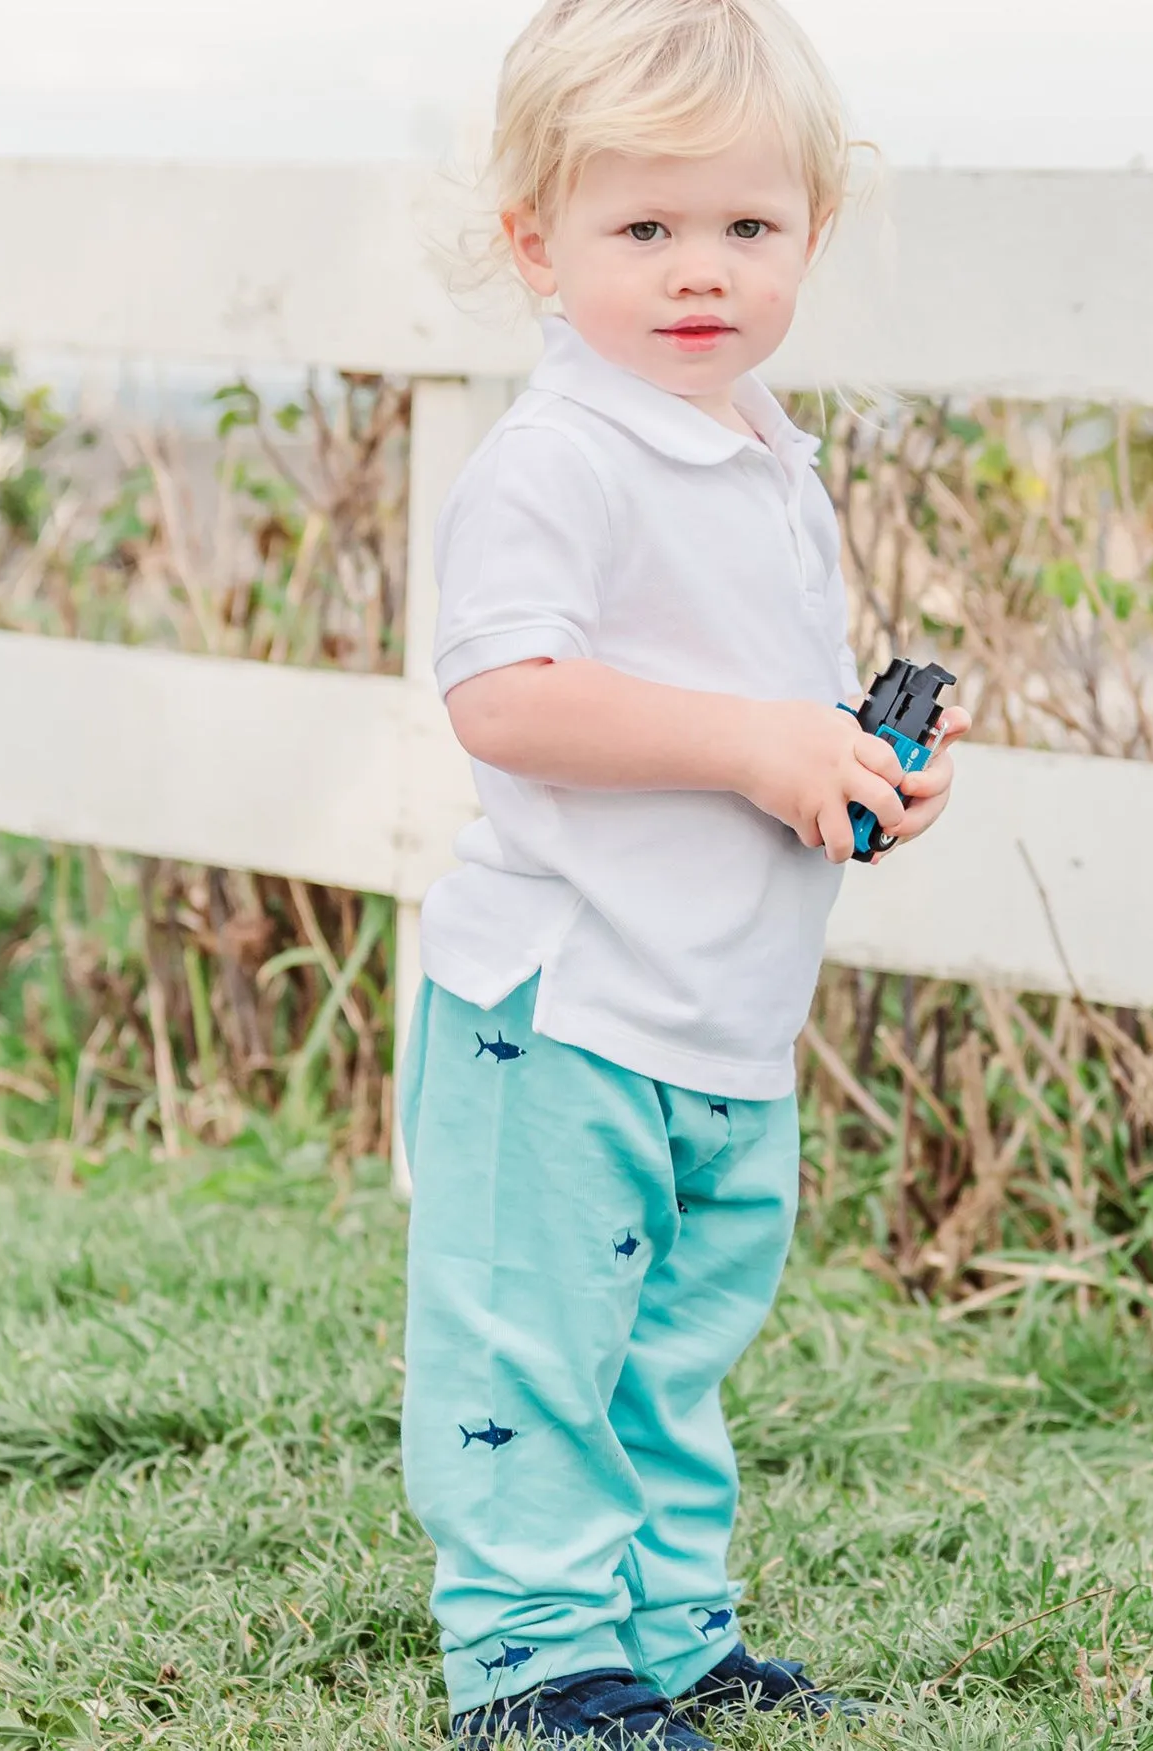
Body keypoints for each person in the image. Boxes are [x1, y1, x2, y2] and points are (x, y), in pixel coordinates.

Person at [400, 1, 970, 1743]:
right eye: (640, 229)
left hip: (722, 1012)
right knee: (533, 1354)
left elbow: (745, 703)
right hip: (558, 1010)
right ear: (535, 245)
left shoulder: (762, 450)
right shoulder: (561, 458)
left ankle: (660, 1624)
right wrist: (749, 742)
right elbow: (506, 697)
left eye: (745, 226)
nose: (695, 270)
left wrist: (844, 764)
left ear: (811, 231)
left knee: (669, 1344)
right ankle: (530, 1656)